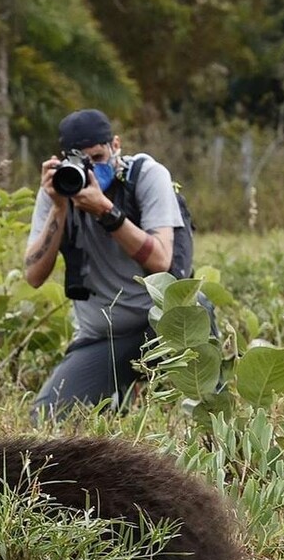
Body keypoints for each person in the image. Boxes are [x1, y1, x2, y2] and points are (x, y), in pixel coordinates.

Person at [25, 108, 183, 421]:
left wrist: (106, 211)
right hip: (102, 338)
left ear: (116, 145)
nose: (92, 170)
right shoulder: (58, 190)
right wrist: (59, 208)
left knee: (196, 307)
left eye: (98, 157)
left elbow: (161, 260)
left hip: (160, 324)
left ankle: (168, 393)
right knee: (47, 418)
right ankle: (119, 392)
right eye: (82, 161)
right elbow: (33, 276)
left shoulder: (147, 176)